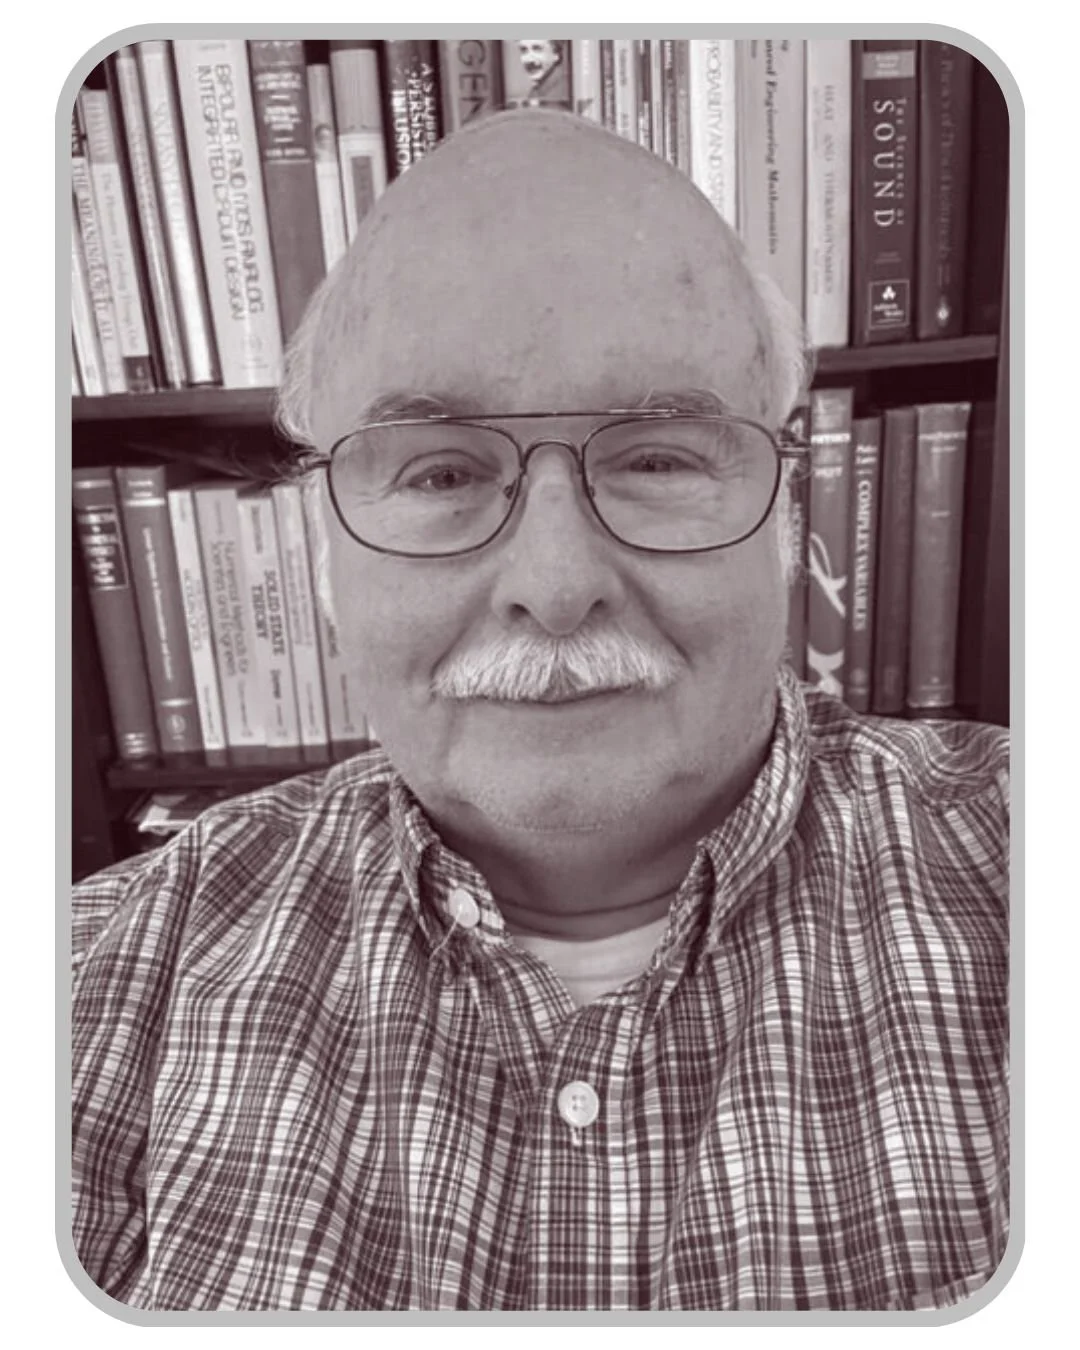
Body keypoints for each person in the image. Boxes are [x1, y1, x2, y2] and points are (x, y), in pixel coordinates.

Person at [71, 108, 1009, 1312]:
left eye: (660, 456)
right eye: (443, 473)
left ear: (786, 511)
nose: (557, 587)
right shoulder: (89, 983)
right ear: (320, 552)